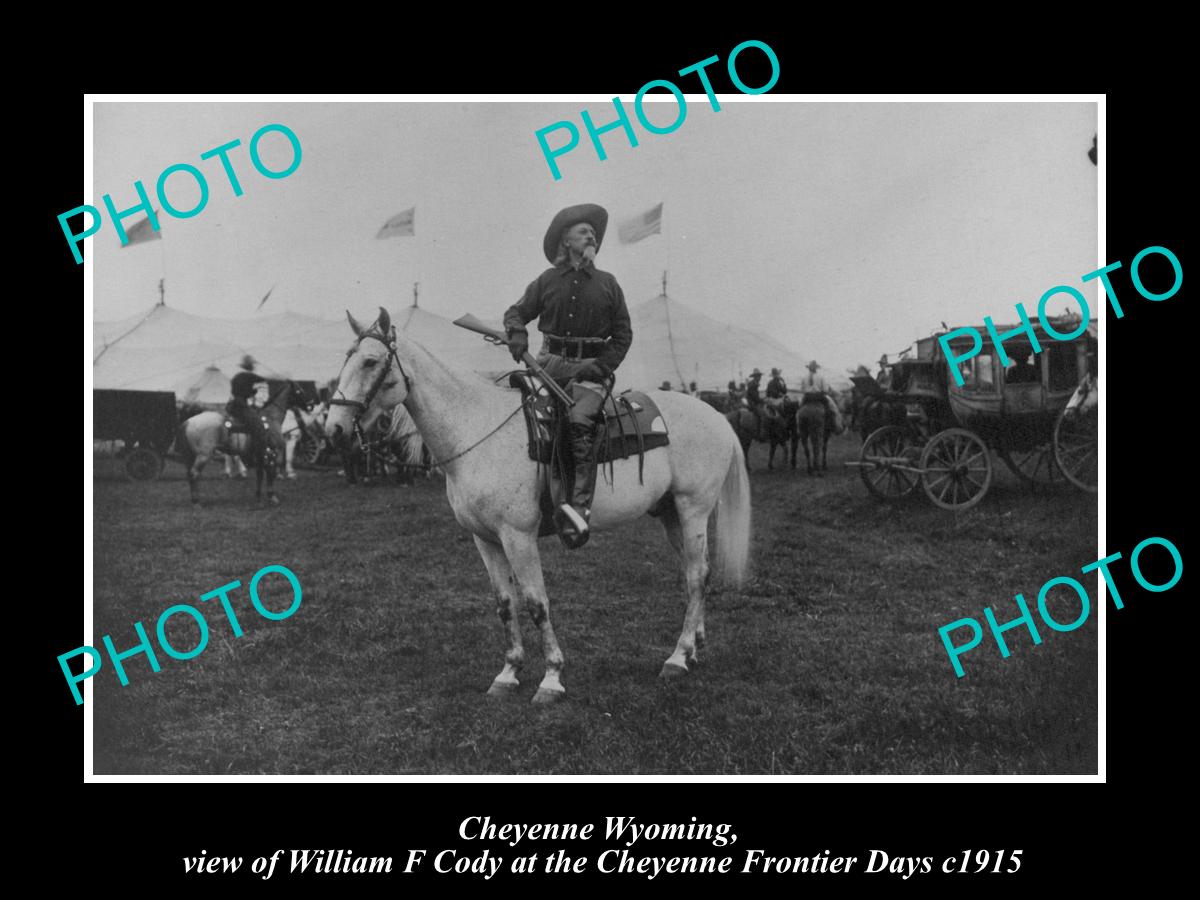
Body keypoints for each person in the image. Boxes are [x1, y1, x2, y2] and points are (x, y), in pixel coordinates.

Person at [503, 203, 633, 549]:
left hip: (591, 370)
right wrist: (517, 332)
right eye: (583, 231)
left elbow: (623, 336)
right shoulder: (546, 281)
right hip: (546, 367)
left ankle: (576, 511)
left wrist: (601, 366)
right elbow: (516, 312)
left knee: (578, 422)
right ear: (566, 241)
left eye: (593, 232)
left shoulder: (608, 284)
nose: (591, 235)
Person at [225, 355, 269, 438]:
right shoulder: (249, 376)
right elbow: (264, 379)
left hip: (232, 404)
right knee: (258, 424)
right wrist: (280, 376)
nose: (254, 367)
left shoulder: (237, 376)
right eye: (253, 365)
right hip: (241, 405)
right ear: (250, 366)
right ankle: (258, 448)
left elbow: (237, 391)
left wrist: (253, 391)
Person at [798, 360, 843, 433]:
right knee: (833, 409)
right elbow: (825, 390)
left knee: (799, 410)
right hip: (819, 397)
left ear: (809, 368)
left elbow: (802, 390)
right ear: (816, 368)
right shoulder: (821, 377)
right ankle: (836, 426)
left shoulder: (804, 377)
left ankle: (798, 429)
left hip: (807, 397)